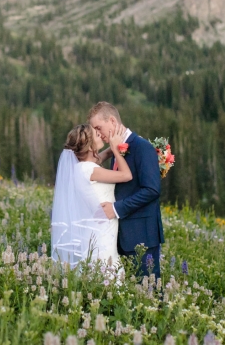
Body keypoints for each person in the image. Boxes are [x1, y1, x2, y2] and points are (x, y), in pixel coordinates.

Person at [88, 101, 164, 280]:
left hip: (142, 236)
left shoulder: (142, 147)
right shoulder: (116, 148)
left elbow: (152, 190)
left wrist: (115, 209)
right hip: (121, 238)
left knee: (150, 293)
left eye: (99, 127)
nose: (98, 134)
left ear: (112, 121)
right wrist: (109, 151)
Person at [51, 123, 132, 272]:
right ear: (89, 147)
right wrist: (116, 149)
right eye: (96, 134)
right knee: (108, 275)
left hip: (96, 231)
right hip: (103, 235)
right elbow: (126, 175)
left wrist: (117, 143)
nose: (100, 134)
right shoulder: (89, 170)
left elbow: (101, 157)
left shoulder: (79, 167)